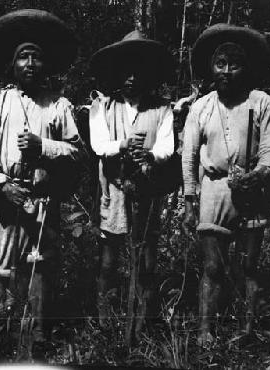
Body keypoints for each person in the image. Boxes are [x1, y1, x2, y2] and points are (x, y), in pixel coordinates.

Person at [0, 9, 81, 359]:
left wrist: (43, 147)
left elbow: (76, 152)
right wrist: (1, 186)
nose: (30, 63)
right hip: (7, 197)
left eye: (36, 56)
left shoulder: (58, 106)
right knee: (2, 268)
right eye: (23, 56)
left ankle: (36, 336)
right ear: (12, 63)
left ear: (46, 63)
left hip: (43, 200)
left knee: (41, 266)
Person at [181, 24, 270, 346]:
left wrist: (258, 175)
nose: (226, 71)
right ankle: (205, 331)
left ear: (245, 67)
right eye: (220, 63)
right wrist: (189, 200)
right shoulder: (201, 107)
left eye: (234, 64)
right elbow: (189, 156)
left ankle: (247, 331)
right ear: (211, 67)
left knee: (249, 266)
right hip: (215, 189)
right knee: (213, 266)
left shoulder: (260, 102)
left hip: (253, 189)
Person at [89, 30, 175, 341]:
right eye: (125, 72)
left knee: (146, 257)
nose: (131, 78)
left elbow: (167, 146)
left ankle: (143, 321)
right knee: (110, 255)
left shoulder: (161, 108)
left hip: (146, 190)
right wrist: (123, 145)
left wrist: (149, 155)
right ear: (117, 73)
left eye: (138, 72)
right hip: (113, 189)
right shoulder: (103, 107)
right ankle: (105, 319)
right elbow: (99, 145)